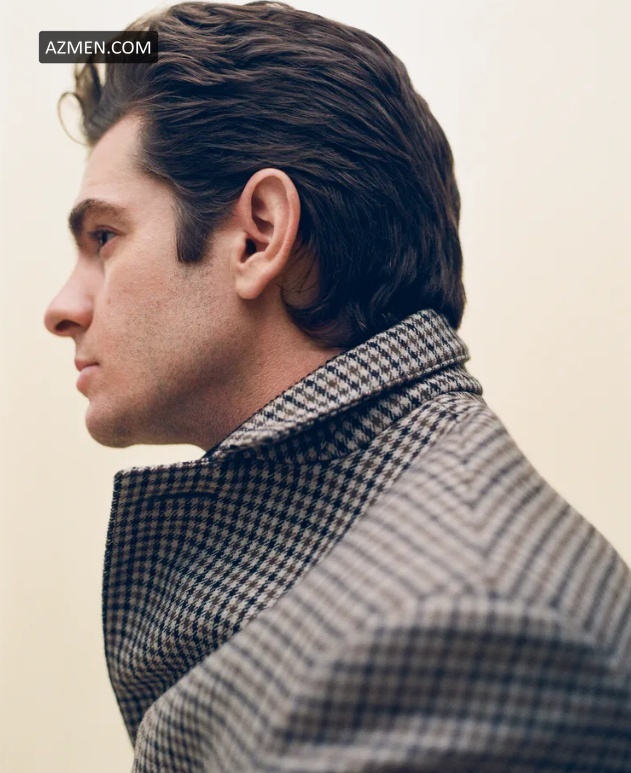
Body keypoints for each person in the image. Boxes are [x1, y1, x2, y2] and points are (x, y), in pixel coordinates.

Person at [44, 2, 631, 771]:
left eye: (104, 237)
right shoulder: (383, 553)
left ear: (259, 235)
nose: (61, 308)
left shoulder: (458, 623)